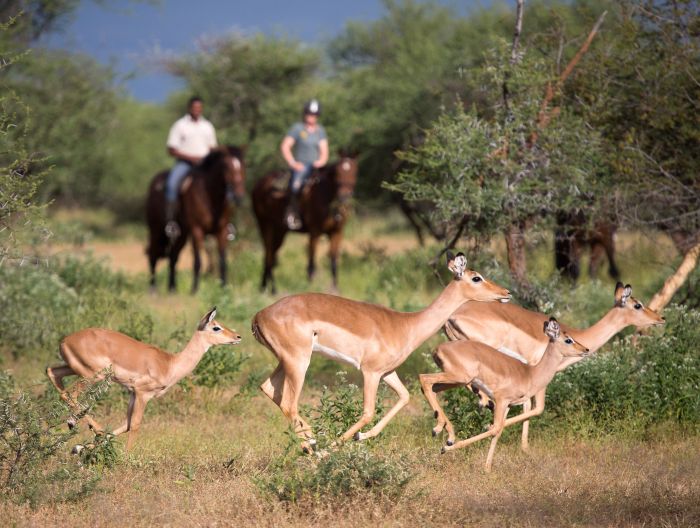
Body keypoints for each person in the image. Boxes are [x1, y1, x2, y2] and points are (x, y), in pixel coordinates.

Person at [164, 96, 217, 238]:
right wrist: (191, 158)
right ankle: (172, 222)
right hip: (185, 164)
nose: (197, 110)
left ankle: (227, 223)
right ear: (189, 108)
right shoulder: (180, 125)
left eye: (199, 108)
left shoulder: (207, 126)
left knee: (226, 186)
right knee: (171, 185)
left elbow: (212, 148)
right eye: (194, 108)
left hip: (205, 165)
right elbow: (171, 149)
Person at [280, 99, 329, 230]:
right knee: (295, 187)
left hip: (316, 166)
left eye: (314, 114)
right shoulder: (297, 129)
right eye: (309, 114)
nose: (311, 117)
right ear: (305, 114)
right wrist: (293, 163)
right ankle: (292, 213)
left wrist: (321, 162)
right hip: (301, 166)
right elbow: (285, 146)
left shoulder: (320, 131)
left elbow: (324, 151)